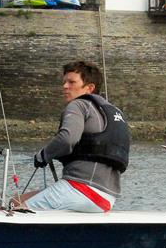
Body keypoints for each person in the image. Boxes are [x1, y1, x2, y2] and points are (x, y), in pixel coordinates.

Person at [12, 61, 129, 213]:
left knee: (15, 211)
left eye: (72, 82)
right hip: (106, 198)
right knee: (16, 201)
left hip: (80, 189)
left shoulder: (79, 105)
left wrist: (43, 155)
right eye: (64, 82)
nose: (65, 86)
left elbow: (67, 139)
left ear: (90, 88)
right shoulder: (115, 112)